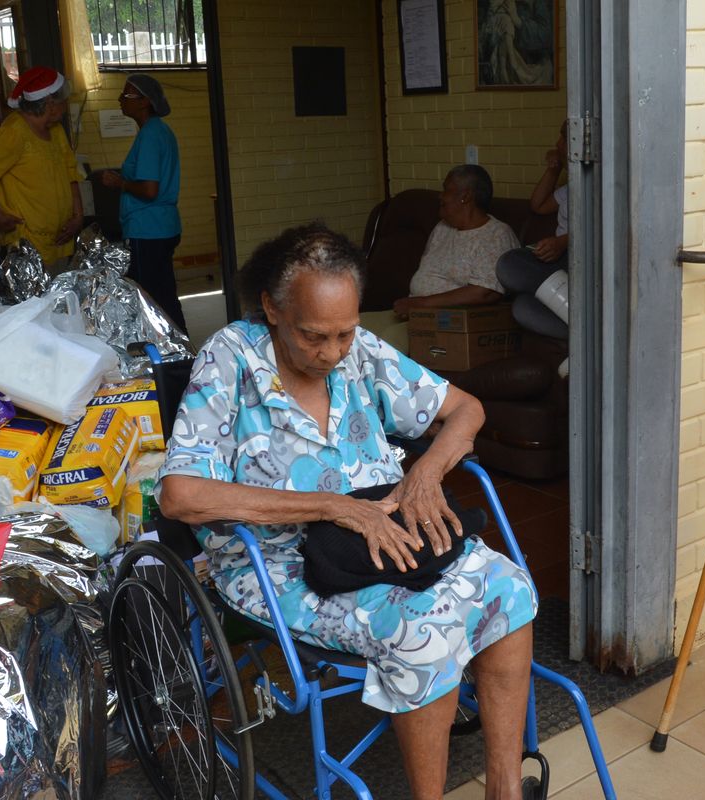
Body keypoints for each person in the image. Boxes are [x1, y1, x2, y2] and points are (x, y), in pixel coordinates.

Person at [157, 223, 538, 800]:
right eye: (314, 336)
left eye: (344, 333)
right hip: (277, 563)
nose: (332, 354)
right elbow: (180, 495)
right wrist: (332, 507)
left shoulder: (358, 352)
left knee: (507, 587)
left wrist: (424, 474)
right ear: (271, 308)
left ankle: (505, 789)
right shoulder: (231, 360)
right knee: (422, 630)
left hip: (383, 532)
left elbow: (466, 411)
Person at [0, 66, 84, 267]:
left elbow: (71, 173)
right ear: (50, 104)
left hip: (60, 241)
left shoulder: (57, 130)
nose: (66, 105)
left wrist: (78, 216)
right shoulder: (15, 131)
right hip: (28, 245)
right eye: (63, 101)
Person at [99, 74, 186, 331]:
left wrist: (119, 184)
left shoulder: (150, 134)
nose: (120, 100)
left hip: (148, 230)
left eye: (127, 95)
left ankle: (176, 361)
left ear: (145, 102)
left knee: (155, 301)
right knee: (162, 295)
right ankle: (176, 356)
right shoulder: (159, 131)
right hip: (161, 227)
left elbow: (149, 189)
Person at [392, 165, 519, 321]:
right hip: (415, 314)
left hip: (451, 322)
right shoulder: (442, 227)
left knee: (371, 341)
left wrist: (421, 303)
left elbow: (485, 293)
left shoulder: (496, 235)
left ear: (465, 196)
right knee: (360, 330)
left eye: (446, 190)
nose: (440, 196)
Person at [495, 121, 570, 340]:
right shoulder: (571, 189)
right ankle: (588, 337)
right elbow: (538, 205)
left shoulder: (601, 186)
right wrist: (553, 170)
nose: (558, 144)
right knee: (521, 307)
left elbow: (602, 233)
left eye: (564, 138)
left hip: (580, 261)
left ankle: (586, 335)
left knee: (511, 266)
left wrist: (563, 242)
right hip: (559, 265)